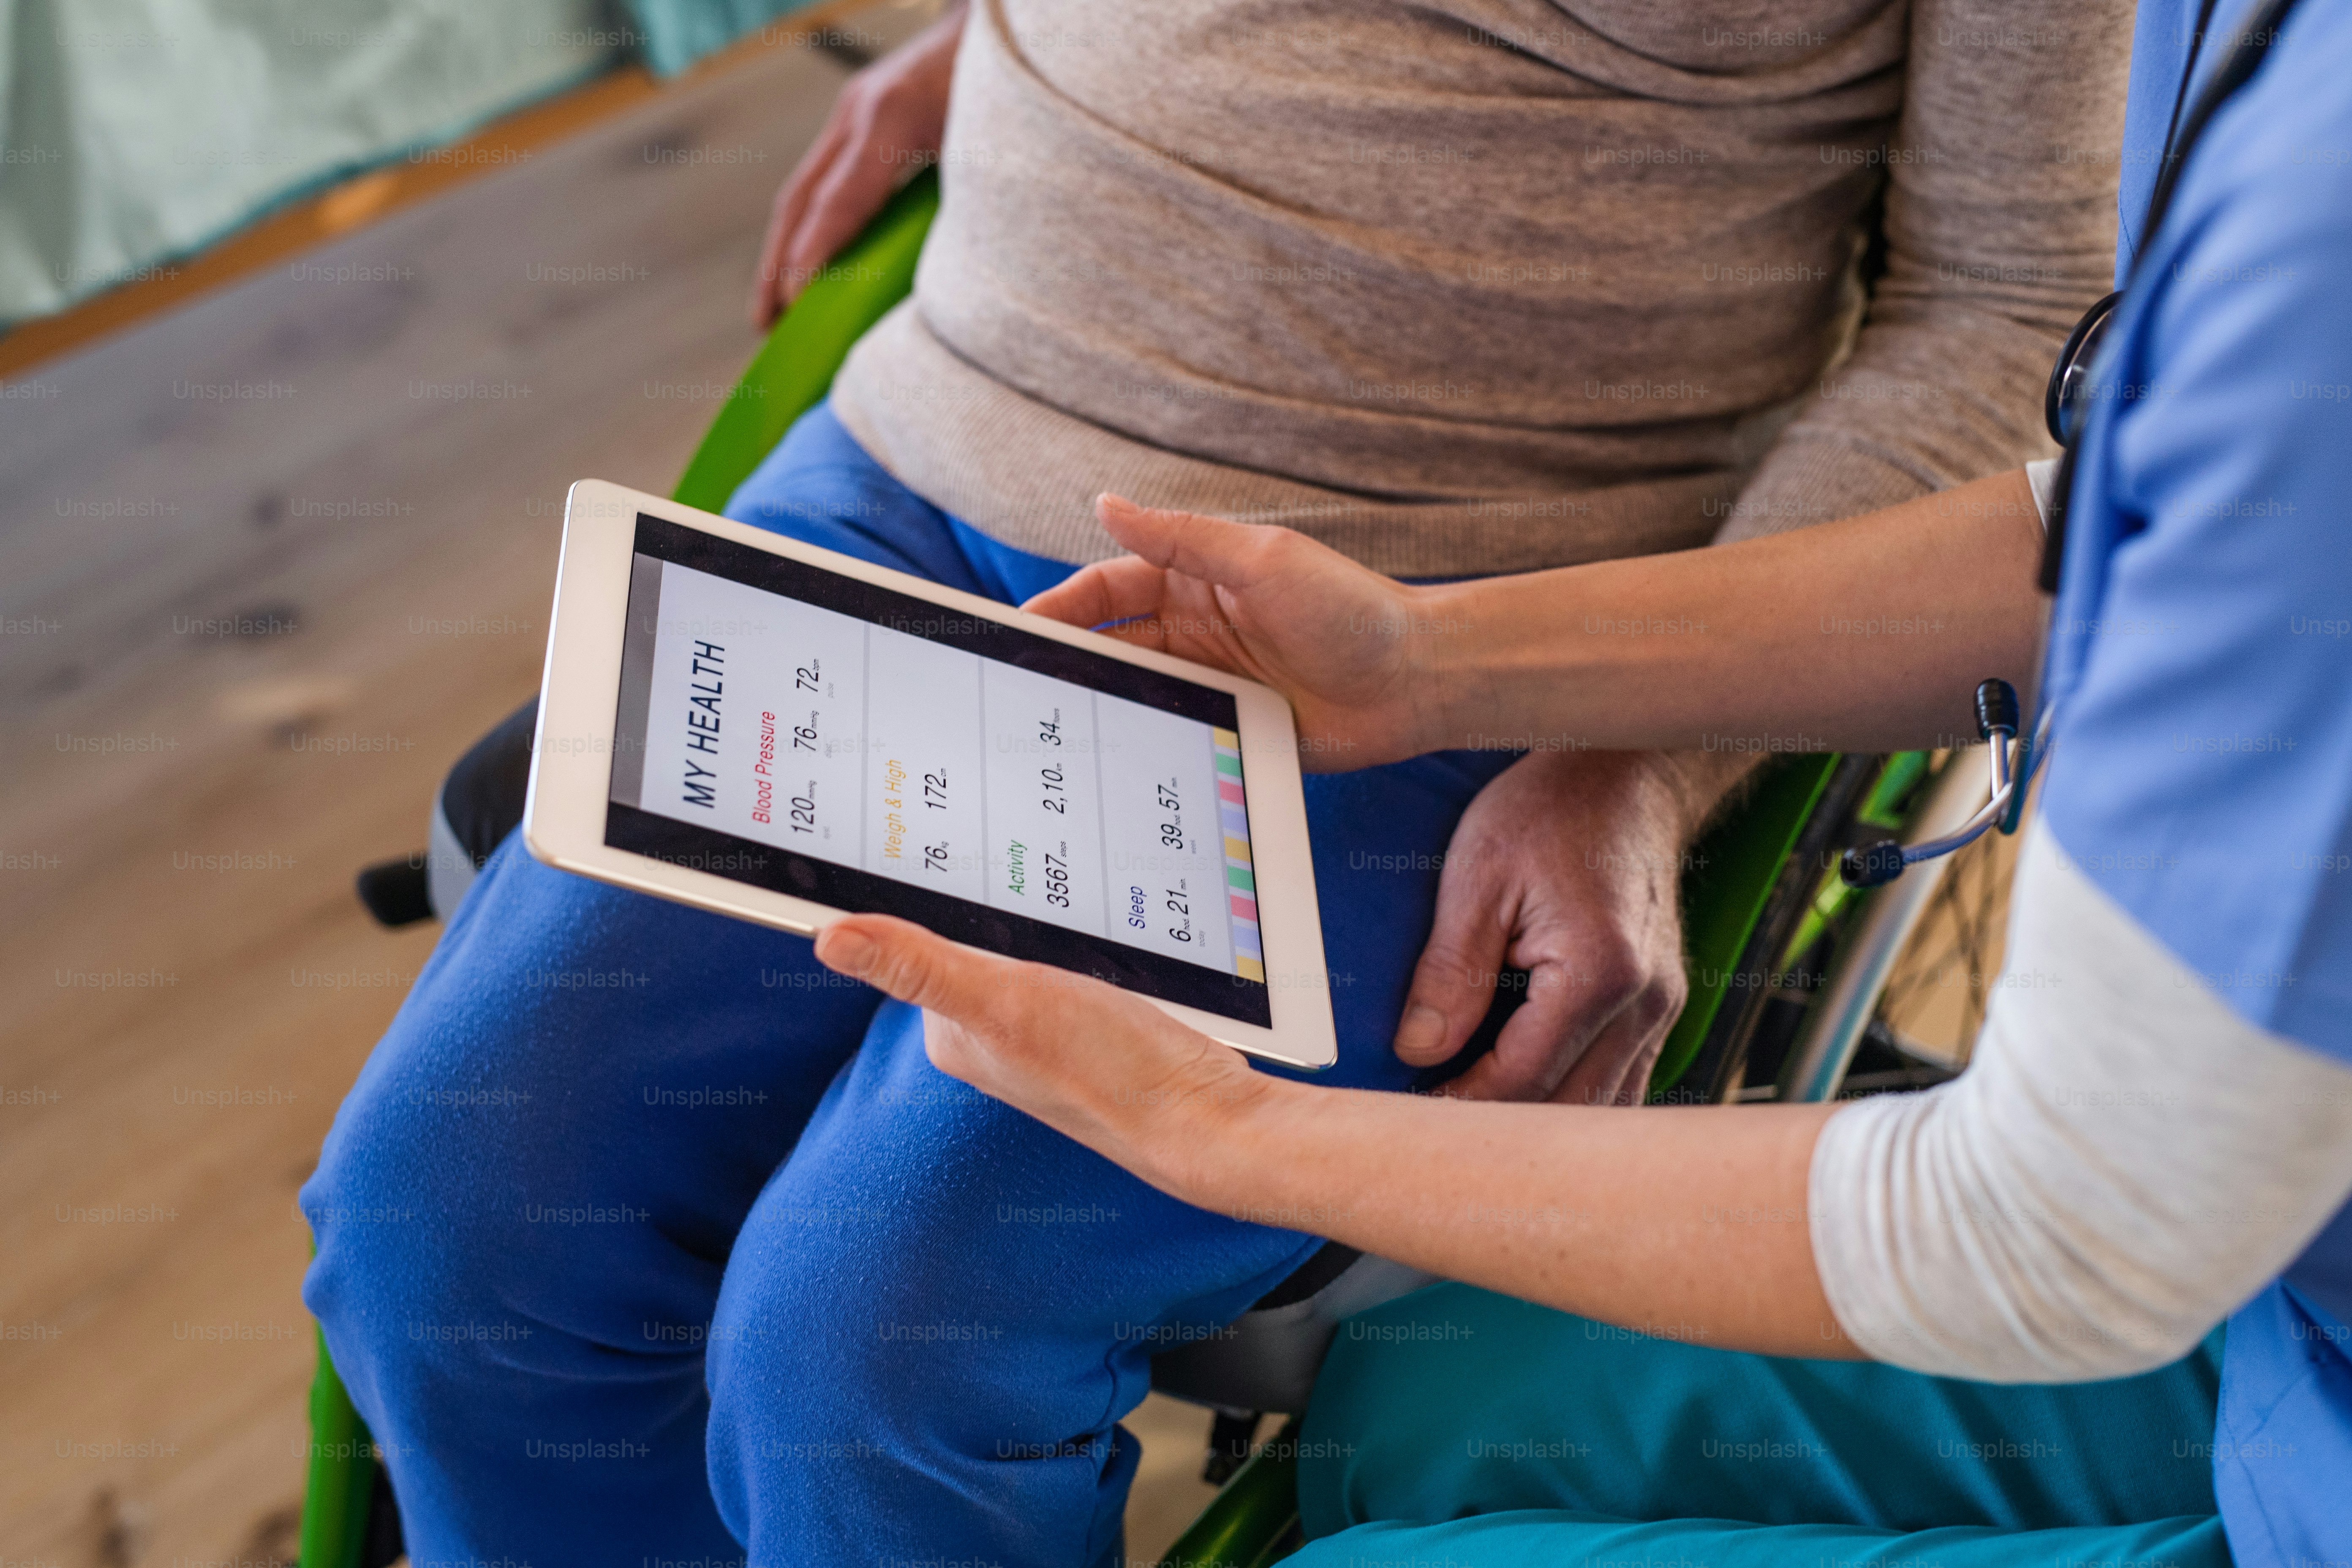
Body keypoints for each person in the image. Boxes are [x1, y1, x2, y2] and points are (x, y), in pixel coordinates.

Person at [300, 3, 2129, 1563]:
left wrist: (1643, 752)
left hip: (1465, 624)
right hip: (922, 458)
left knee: (874, 1334)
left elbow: (2017, 304)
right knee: (435, 1220)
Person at [803, 0, 2352, 1560]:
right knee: (1420, 1427)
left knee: (949, 1362)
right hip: (2287, 1309)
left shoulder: (2320, 230)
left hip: (2197, 1319)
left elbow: (2053, 1233)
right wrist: (1429, 659)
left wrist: (1219, 1126)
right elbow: (2087, 526)